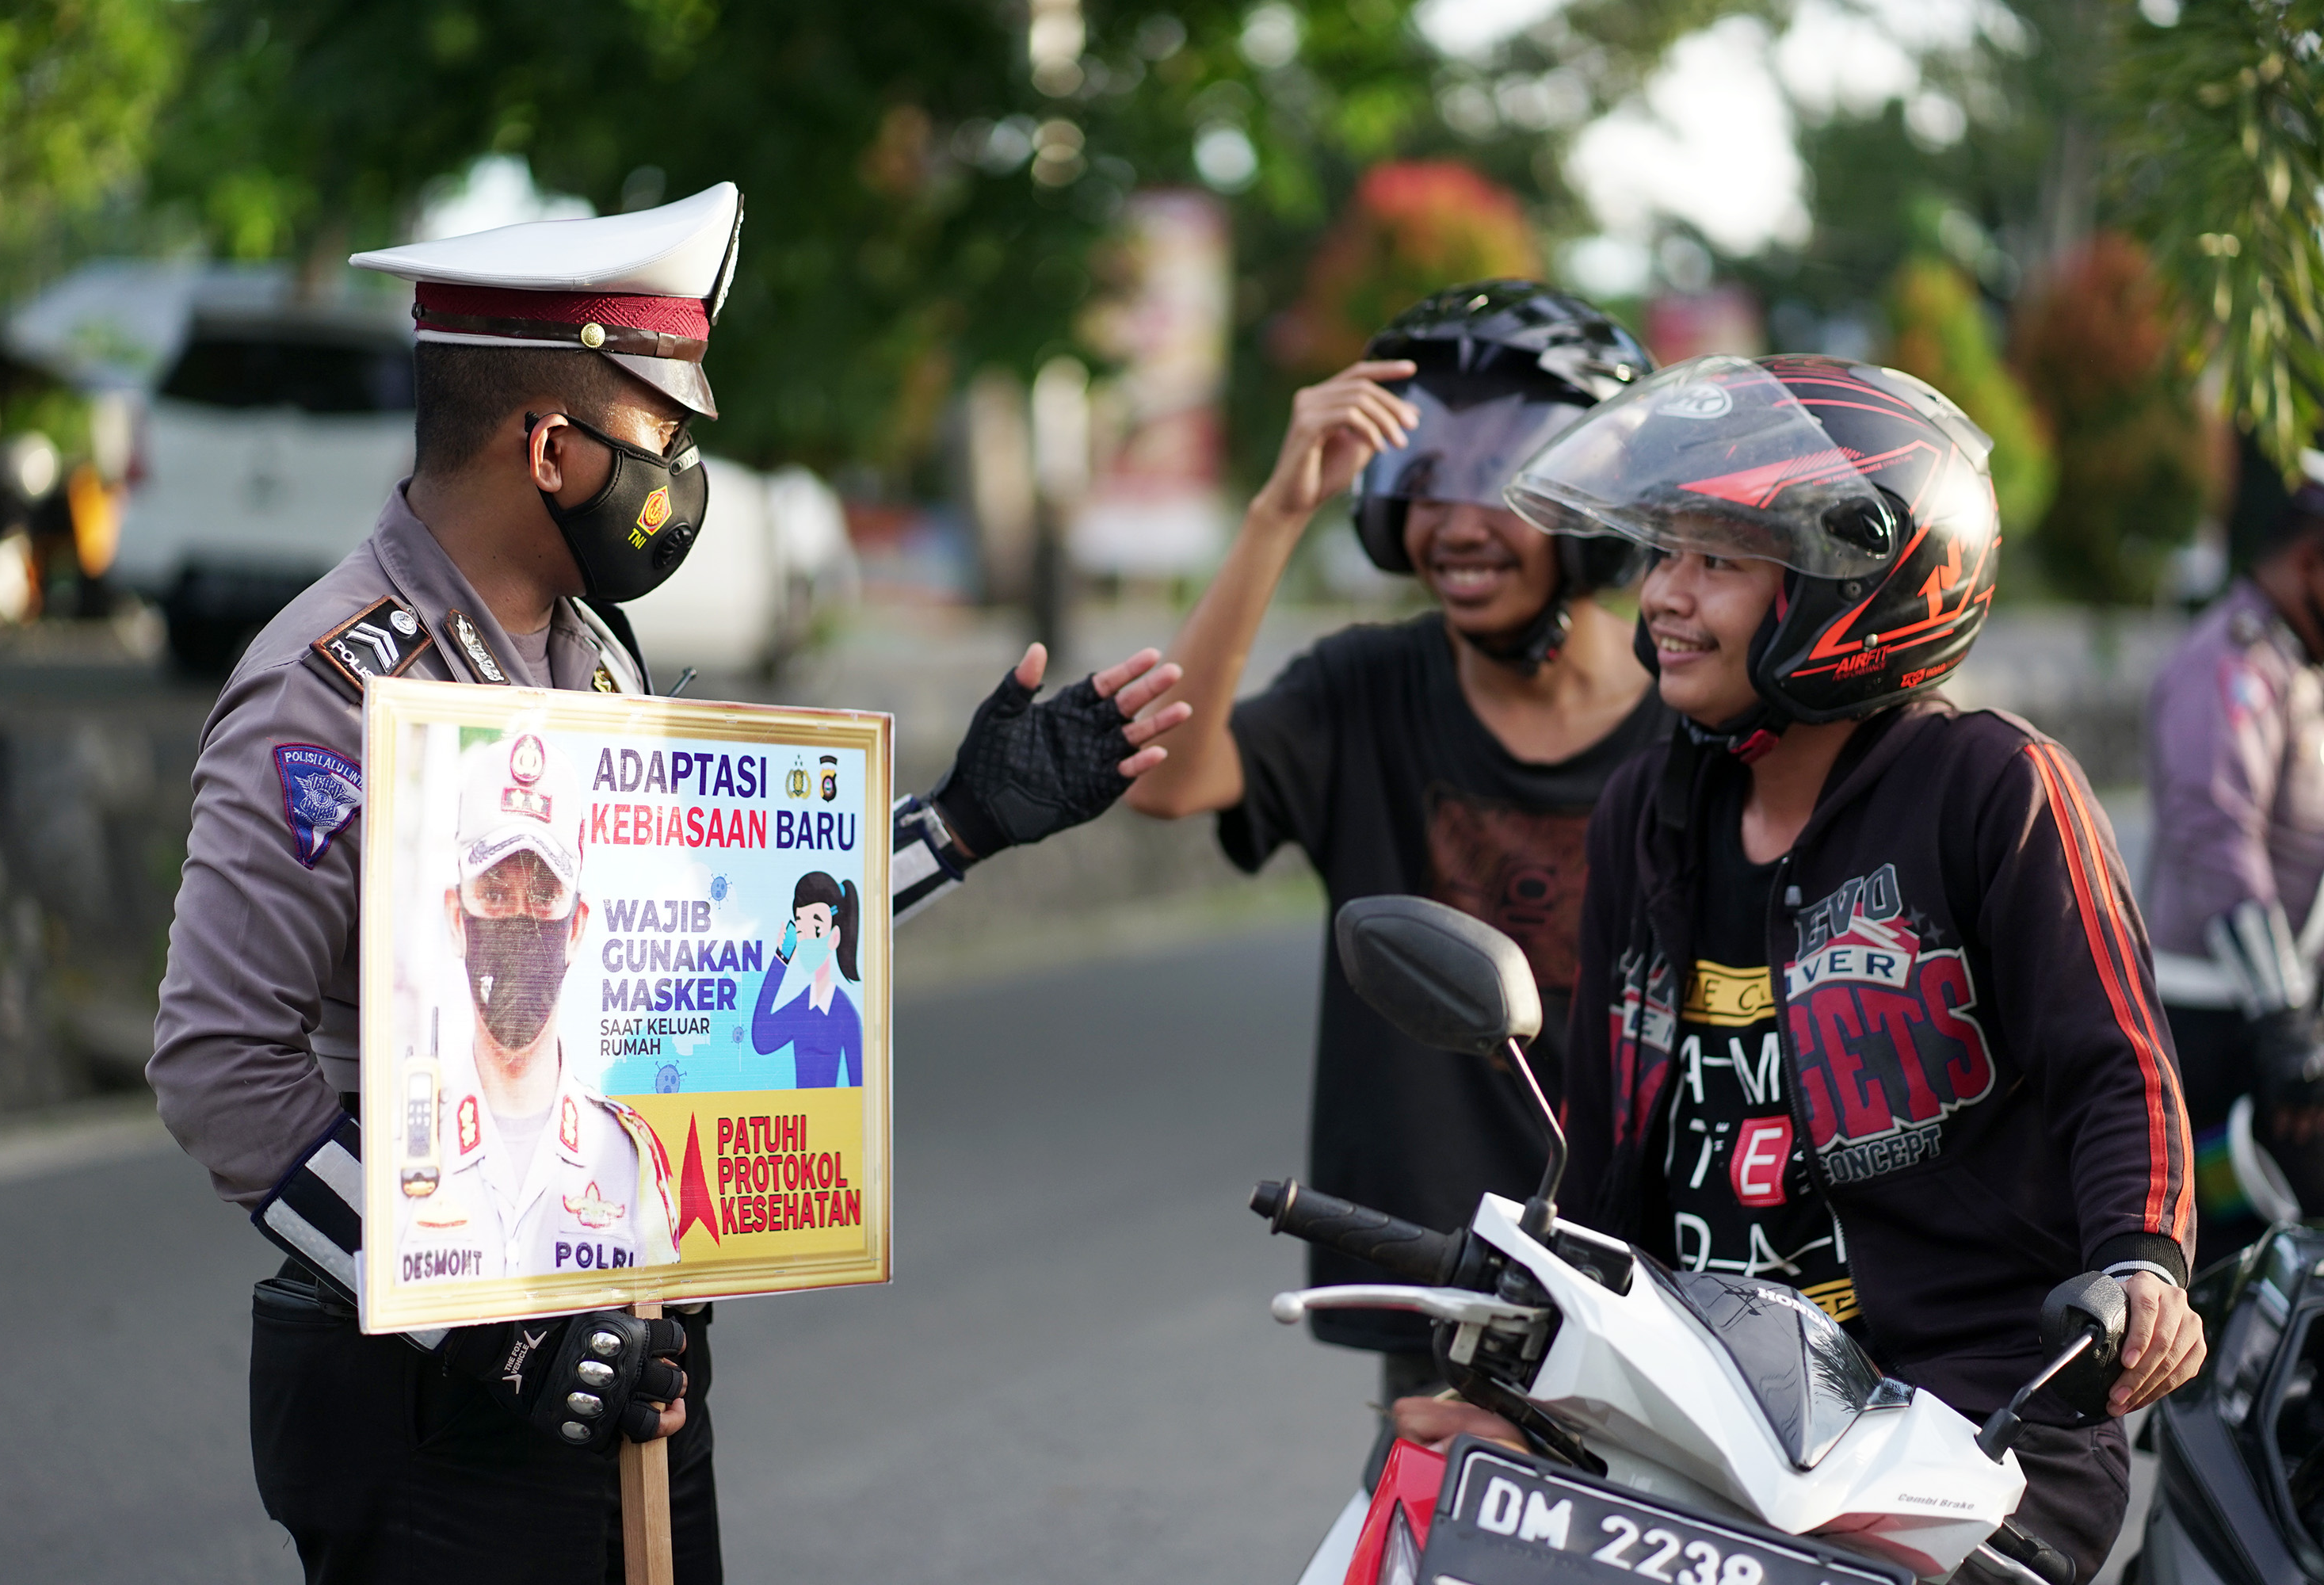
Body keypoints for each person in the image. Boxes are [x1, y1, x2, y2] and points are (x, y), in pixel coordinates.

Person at [147, 182, 1191, 1584]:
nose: (684, 477)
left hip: (627, 1356)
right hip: (432, 1399)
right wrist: (501, 1323)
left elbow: (685, 966)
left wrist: (959, 826)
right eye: (662, 439)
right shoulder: (329, 691)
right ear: (551, 449)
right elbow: (221, 1066)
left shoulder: (593, 655)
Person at [1395, 353, 2203, 1583]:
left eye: (1717, 560)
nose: (1662, 597)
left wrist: (2143, 1265)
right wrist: (1527, 1383)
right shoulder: (1646, 814)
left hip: (1963, 1423)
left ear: (1853, 591)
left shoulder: (1993, 789)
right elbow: (1608, 1152)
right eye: (1662, 554)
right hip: (1712, 1413)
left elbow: (2116, 1067)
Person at [1126, 281, 1668, 1396]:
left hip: (1659, 1278)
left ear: (1596, 510)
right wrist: (1278, 512)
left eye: (1504, 482)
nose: (1457, 525)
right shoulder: (1366, 690)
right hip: (1447, 1279)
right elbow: (1172, 781)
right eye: (1423, 478)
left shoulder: (1696, 721)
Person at [396, 731, 680, 1286]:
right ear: (456, 918)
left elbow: (670, 1307)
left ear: (576, 929)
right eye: (495, 893)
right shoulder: (401, 1146)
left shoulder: (630, 1158)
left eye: (545, 894)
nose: (520, 922)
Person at [2145, 440, 2324, 1258]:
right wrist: (2283, 1018)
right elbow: (2216, 832)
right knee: (2223, 1248)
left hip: (2271, 1014)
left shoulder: (2292, 664)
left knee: (2283, 1248)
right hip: (2214, 1023)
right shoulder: (2229, 663)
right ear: (2310, 562)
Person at [750, 871, 862, 1087]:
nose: (808, 938)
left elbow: (858, 1086)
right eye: (801, 929)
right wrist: (781, 959)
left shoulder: (845, 1013)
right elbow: (762, 1039)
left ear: (834, 937)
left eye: (816, 928)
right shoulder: (803, 1005)